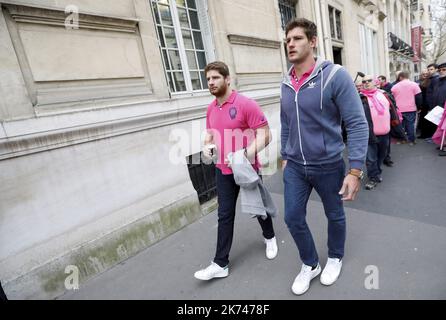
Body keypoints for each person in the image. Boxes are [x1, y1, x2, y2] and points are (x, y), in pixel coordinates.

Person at [280, 18, 369, 295]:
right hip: (295, 165)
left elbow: (357, 123)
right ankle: (310, 264)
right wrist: (285, 155)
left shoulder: (334, 75)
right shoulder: (286, 81)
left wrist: (355, 171)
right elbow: (286, 122)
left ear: (313, 42)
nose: (290, 44)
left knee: (335, 214)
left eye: (297, 39)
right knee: (292, 217)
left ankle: (334, 257)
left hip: (328, 164)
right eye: (287, 41)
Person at [194, 61, 278, 281]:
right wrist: (206, 145)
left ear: (227, 79)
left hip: (247, 169)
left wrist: (245, 155)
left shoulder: (245, 104)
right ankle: (220, 263)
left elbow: (266, 135)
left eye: (215, 78)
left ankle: (269, 236)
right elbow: (210, 134)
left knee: (258, 208)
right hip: (223, 171)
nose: (211, 83)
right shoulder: (211, 108)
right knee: (224, 215)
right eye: (208, 79)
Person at [360, 76, 391, 190]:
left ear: (376, 83)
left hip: (385, 133)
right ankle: (373, 177)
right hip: (369, 135)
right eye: (364, 82)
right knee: (371, 158)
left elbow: (392, 110)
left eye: (369, 81)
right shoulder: (360, 98)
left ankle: (377, 171)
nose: (366, 83)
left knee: (381, 156)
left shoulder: (384, 95)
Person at [391, 71, 423, 145]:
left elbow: (391, 98)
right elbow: (418, 97)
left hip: (399, 109)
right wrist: (419, 107)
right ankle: (411, 141)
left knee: (400, 125)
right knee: (410, 124)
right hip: (411, 108)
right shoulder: (414, 85)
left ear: (400, 77)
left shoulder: (395, 86)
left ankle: (402, 139)